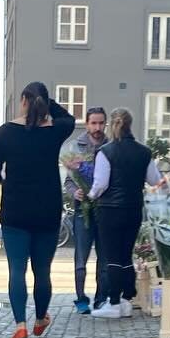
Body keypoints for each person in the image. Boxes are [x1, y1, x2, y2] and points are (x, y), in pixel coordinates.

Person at [0, 82, 75, 338]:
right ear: (45, 103)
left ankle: (20, 325)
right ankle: (40, 319)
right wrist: (47, 106)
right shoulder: (56, 130)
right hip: (47, 211)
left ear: (23, 100)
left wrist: (7, 183)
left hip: (15, 211)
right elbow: (68, 118)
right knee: (42, 271)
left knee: (16, 270)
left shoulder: (4, 133)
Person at [89, 107, 162, 320]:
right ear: (130, 124)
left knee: (112, 256)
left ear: (112, 125)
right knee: (126, 255)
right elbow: (155, 181)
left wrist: (90, 195)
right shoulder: (144, 152)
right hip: (133, 209)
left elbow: (100, 184)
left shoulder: (106, 152)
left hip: (110, 210)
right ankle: (126, 300)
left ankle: (112, 301)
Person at [63, 106, 106, 313]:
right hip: (82, 210)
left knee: (104, 259)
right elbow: (68, 182)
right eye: (93, 123)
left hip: (104, 209)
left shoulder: (110, 146)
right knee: (81, 259)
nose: (97, 127)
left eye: (101, 123)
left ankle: (100, 299)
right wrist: (75, 192)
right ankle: (81, 300)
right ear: (87, 124)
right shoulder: (76, 147)